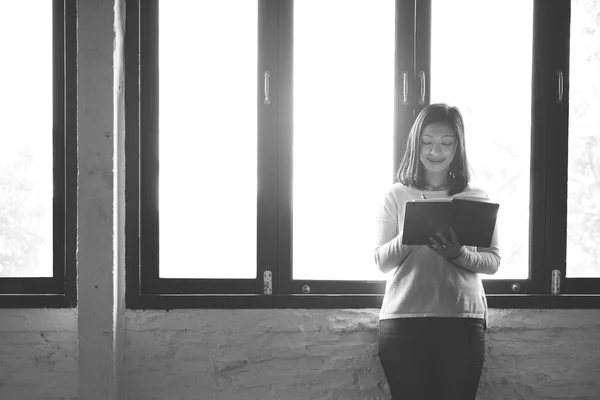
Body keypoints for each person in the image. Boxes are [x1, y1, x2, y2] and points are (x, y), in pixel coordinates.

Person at [374, 103, 500, 400]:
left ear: (458, 147)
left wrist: (458, 255)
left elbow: (493, 261)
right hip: (403, 320)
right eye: (427, 143)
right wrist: (413, 230)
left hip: (462, 319)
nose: (435, 152)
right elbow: (381, 261)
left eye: (446, 143)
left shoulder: (476, 197)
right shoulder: (396, 194)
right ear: (415, 145)